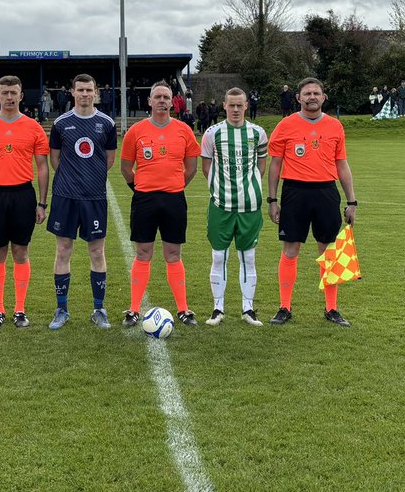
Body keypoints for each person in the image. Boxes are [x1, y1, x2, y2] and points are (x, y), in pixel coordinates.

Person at [266, 77, 358, 328]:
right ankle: (285, 307)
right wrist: (273, 200)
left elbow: (342, 164)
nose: (312, 97)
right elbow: (275, 166)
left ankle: (332, 308)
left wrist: (352, 201)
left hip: (326, 192)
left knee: (328, 251)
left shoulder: (335, 126)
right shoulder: (285, 126)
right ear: (298, 98)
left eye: (316, 93)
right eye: (307, 93)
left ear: (324, 97)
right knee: (290, 249)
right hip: (294, 191)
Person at [119, 82, 201, 327]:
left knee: (173, 254)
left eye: (166, 97)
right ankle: (133, 309)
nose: (162, 101)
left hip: (174, 198)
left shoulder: (184, 130)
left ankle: (184, 310)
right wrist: (141, 188)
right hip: (144, 198)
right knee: (143, 253)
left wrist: (174, 186)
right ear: (150, 102)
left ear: (172, 102)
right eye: (158, 97)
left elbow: (192, 167)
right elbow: (125, 168)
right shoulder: (136, 131)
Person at [0, 76, 51, 329]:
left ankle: (19, 310)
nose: (9, 97)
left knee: (21, 251)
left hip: (23, 195)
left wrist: (42, 203)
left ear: (20, 96)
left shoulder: (33, 127)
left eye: (13, 92)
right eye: (4, 92)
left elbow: (42, 167)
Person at [46, 74, 117, 330]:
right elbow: (55, 160)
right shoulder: (61, 123)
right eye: (80, 90)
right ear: (72, 92)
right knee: (63, 250)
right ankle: (61, 310)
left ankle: (99, 309)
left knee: (97, 252)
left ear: (96, 92)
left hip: (94, 197)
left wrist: (90, 178)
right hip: (66, 196)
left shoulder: (106, 123)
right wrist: (71, 179)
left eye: (89, 90)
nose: (85, 94)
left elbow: (109, 161)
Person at [200, 87, 268, 326]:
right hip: (221, 205)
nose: (236, 109)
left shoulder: (258, 133)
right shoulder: (212, 133)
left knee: (248, 257)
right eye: (232, 105)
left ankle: (247, 308)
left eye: (240, 105)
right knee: (219, 256)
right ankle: (218, 308)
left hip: (249, 206)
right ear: (224, 106)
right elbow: (206, 167)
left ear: (246, 106)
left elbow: (261, 165)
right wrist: (220, 190)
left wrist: (248, 188)